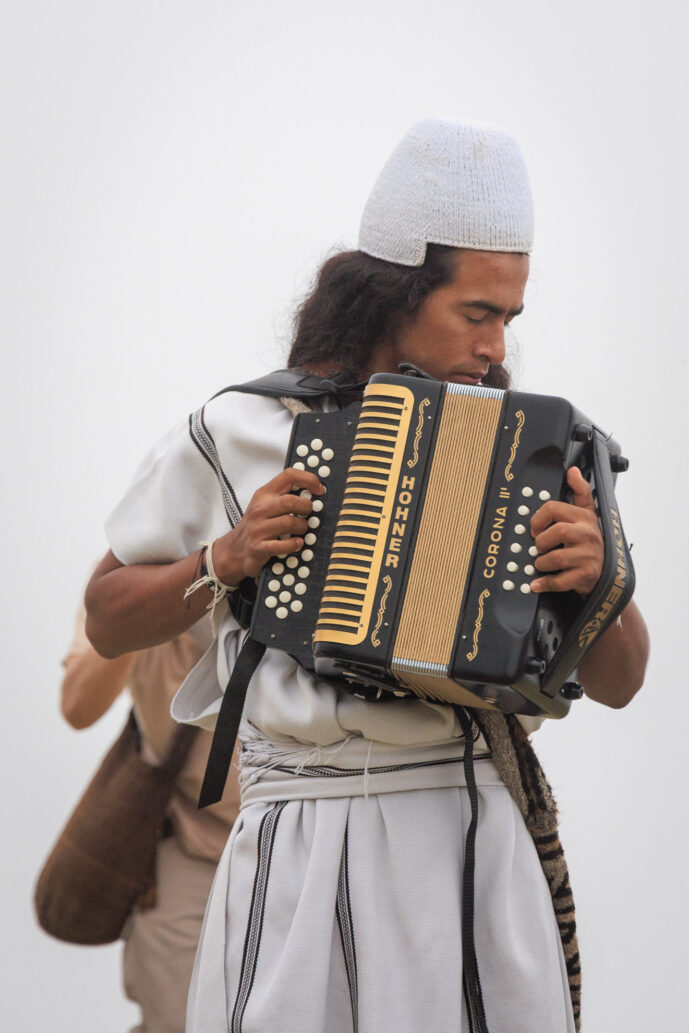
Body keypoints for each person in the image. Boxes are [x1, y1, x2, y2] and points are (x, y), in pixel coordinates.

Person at [84, 118, 649, 1033]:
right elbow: (106, 615)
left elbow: (623, 679)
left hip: (464, 832)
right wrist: (222, 560)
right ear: (394, 293)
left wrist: (598, 584)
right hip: (294, 835)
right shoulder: (241, 428)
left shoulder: (534, 453)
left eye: (508, 319)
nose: (496, 346)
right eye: (477, 313)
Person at [61, 604, 240, 1033]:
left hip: (314, 838)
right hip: (196, 848)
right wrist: (143, 610)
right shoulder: (134, 581)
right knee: (178, 1017)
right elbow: (77, 705)